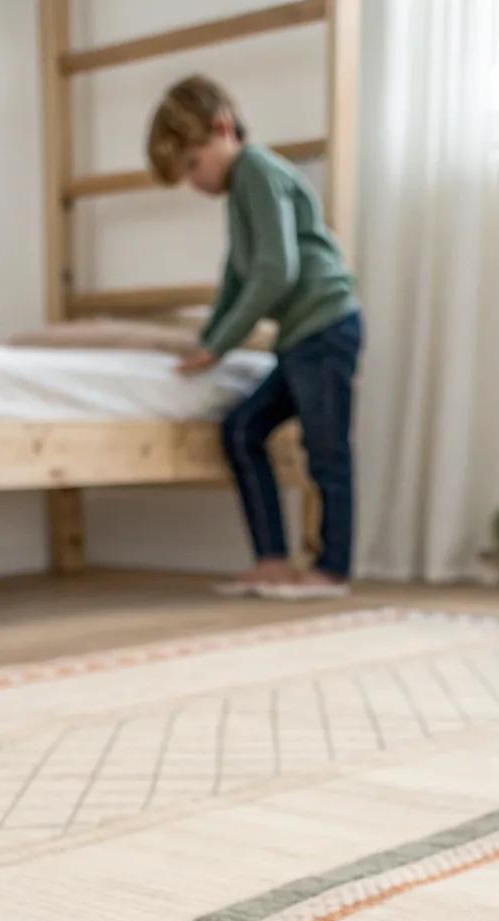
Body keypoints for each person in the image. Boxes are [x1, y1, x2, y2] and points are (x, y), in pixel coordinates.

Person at [147, 76, 362, 598]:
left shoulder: (258, 172)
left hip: (326, 329)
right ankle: (271, 558)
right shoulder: (239, 192)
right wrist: (207, 341)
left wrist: (222, 345)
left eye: (194, 165)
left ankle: (332, 568)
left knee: (326, 448)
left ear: (223, 128)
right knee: (242, 430)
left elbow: (275, 270)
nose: (194, 183)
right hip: (298, 340)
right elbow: (238, 278)